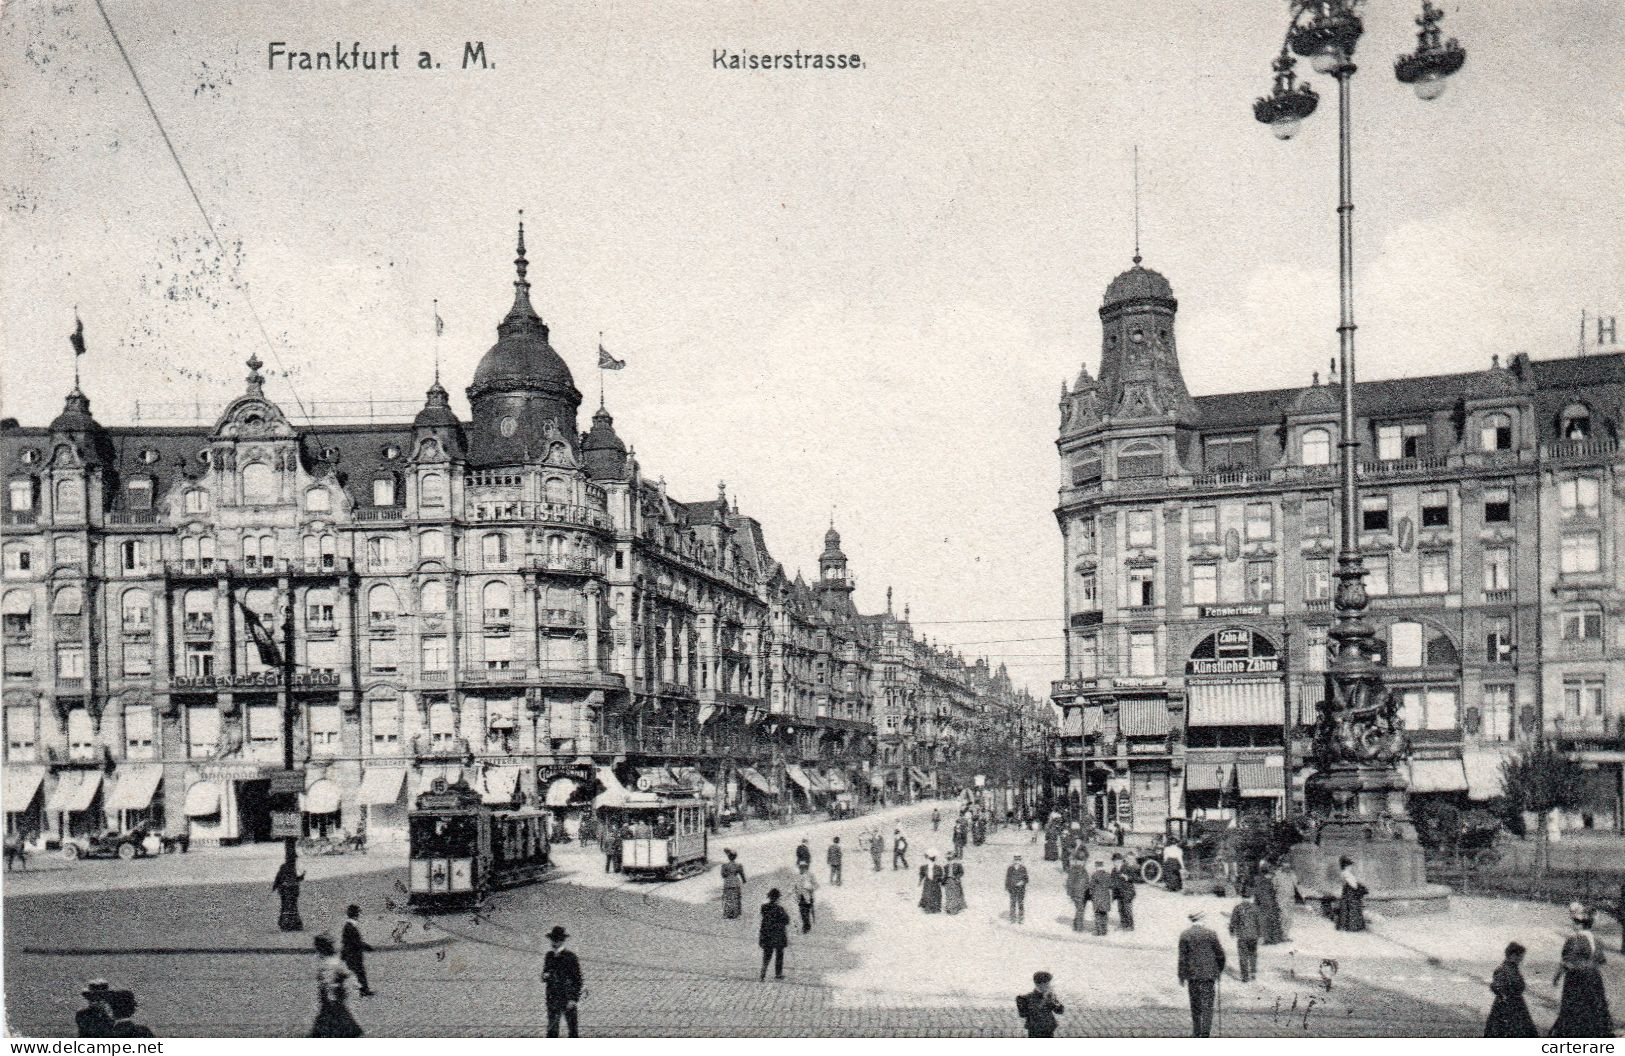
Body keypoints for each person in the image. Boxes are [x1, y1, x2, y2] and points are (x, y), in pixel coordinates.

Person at [1550, 903, 1612, 1037]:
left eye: (1575, 922)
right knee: (1593, 1007)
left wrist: (1556, 978)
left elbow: (1565, 962)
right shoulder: (1597, 940)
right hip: (1594, 977)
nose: (1573, 925)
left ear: (1580, 924)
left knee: (1574, 1007)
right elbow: (1600, 961)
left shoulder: (1574, 939)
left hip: (1576, 978)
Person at [1177, 910, 1226, 1038]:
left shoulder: (1185, 935)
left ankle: (1196, 1031)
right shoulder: (1211, 934)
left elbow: (1182, 958)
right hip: (1209, 977)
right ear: (1202, 920)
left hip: (1192, 976)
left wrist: (1181, 976)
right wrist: (1218, 970)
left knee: (1195, 1005)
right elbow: (1220, 955)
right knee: (1208, 1005)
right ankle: (1205, 1033)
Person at [310, 934, 363, 1037]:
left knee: (332, 1011)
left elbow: (328, 981)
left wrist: (330, 994)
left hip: (331, 991)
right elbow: (347, 972)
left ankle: (330, 1031)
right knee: (335, 1011)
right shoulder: (334, 959)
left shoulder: (327, 963)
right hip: (338, 990)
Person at [1484, 941, 1538, 1037]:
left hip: (1517, 1005)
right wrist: (1503, 995)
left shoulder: (1513, 968)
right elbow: (1495, 986)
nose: (1522, 959)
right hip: (1506, 1007)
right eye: (1521, 956)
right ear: (1513, 955)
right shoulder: (1503, 969)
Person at [542, 924, 583, 1037]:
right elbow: (544, 973)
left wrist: (573, 999)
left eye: (556, 940)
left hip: (567, 998)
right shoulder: (549, 956)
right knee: (552, 1030)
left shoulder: (570, 957)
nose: (553, 943)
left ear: (562, 941)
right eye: (552, 940)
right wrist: (545, 976)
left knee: (572, 1030)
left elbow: (577, 979)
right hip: (552, 998)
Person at [340, 904, 375, 997]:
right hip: (353, 955)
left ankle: (363, 990)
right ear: (356, 915)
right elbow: (356, 942)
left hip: (351, 955)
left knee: (358, 973)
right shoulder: (350, 927)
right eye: (358, 914)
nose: (359, 916)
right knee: (358, 973)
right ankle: (363, 990)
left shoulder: (348, 926)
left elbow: (346, 942)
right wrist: (367, 947)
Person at [1017, 970, 1065, 1038]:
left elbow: (1060, 1011)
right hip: (1034, 1030)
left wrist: (1054, 1002)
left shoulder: (1050, 996)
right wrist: (1044, 999)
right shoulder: (1024, 998)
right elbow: (1023, 1014)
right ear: (1042, 984)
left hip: (1049, 1029)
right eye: (1049, 983)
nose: (1050, 986)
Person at [758, 889, 791, 980]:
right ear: (777, 898)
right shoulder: (780, 909)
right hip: (778, 935)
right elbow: (786, 920)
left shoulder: (763, 907)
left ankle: (763, 971)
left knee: (767, 954)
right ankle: (778, 974)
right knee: (779, 954)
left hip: (766, 934)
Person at [1228, 893, 1261, 983]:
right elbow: (1259, 923)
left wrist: (1231, 931)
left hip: (1242, 936)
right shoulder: (1255, 908)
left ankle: (1245, 976)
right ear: (1251, 898)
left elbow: (1233, 921)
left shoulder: (1238, 908)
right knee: (1253, 954)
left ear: (1242, 898)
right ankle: (1253, 973)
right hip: (1253, 936)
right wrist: (1260, 935)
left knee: (1243, 956)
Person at [1254, 860, 1285, 945]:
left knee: (1265, 921)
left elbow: (1258, 893)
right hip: (1269, 903)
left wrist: (1257, 902)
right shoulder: (1267, 880)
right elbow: (1271, 892)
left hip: (1265, 903)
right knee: (1271, 920)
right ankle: (1272, 939)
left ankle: (1269, 939)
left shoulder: (1259, 880)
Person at [1334, 856, 1367, 932]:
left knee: (1346, 909)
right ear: (1346, 866)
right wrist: (1359, 887)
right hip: (1351, 894)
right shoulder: (1347, 874)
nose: (1351, 867)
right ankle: (1353, 927)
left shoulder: (1343, 873)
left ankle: (1345, 926)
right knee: (1352, 908)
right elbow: (1353, 885)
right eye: (1349, 865)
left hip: (1346, 894)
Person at [273, 859, 305, 932]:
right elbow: (297, 879)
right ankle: (295, 924)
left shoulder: (282, 871)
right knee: (293, 907)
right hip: (292, 892)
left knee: (285, 907)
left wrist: (275, 888)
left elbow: (277, 881)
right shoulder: (292, 871)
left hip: (284, 892)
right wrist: (302, 876)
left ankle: (284, 923)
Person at [1088, 860, 1113, 937]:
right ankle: (1104, 930)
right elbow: (1111, 885)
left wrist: (1091, 895)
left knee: (1097, 914)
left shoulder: (1094, 875)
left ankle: (1099, 931)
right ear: (1103, 867)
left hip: (1097, 898)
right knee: (1104, 914)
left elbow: (1091, 887)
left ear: (1096, 867)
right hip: (1105, 897)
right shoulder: (1108, 875)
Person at [1065, 856, 1091, 932]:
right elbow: (1069, 883)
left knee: (1080, 910)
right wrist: (1070, 895)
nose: (1081, 863)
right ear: (1076, 861)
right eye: (1079, 861)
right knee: (1080, 910)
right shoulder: (1074, 870)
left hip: (1084, 893)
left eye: (1082, 861)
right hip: (1077, 894)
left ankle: (1076, 925)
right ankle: (1079, 928)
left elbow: (1086, 881)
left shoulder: (1083, 870)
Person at [1111, 853, 1136, 931]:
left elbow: (1135, 878)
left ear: (1121, 861)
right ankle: (1123, 924)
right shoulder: (1114, 870)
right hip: (1118, 893)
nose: (1115, 863)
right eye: (1114, 861)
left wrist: (1127, 877)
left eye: (1117, 861)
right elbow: (1112, 880)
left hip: (1127, 892)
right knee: (1120, 909)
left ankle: (1130, 926)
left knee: (1127, 909)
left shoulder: (1127, 868)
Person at [720, 849, 747, 919]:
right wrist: (744, 881)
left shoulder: (724, 866)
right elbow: (742, 874)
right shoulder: (738, 865)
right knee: (736, 898)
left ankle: (726, 914)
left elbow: (723, 875)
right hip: (735, 883)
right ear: (735, 857)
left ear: (728, 857)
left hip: (727, 883)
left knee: (727, 898)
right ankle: (736, 914)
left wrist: (728, 874)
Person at [794, 863, 818, 933]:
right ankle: (806, 927)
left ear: (805, 868)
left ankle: (806, 928)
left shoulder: (810, 875)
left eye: (803, 867)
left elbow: (816, 885)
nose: (801, 869)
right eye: (800, 867)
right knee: (802, 913)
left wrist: (810, 887)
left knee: (806, 913)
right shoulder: (797, 876)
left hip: (808, 898)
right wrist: (795, 893)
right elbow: (795, 886)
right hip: (800, 897)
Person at [1005, 854, 1029, 923]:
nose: (1017, 861)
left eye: (1018, 860)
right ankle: (1012, 918)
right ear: (1013, 860)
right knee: (1013, 903)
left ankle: (1021, 918)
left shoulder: (1023, 868)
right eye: (1015, 860)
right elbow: (1007, 878)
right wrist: (1007, 887)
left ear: (1020, 860)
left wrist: (1022, 882)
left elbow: (1026, 879)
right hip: (1012, 888)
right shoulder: (1010, 868)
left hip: (1021, 889)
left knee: (1020, 903)